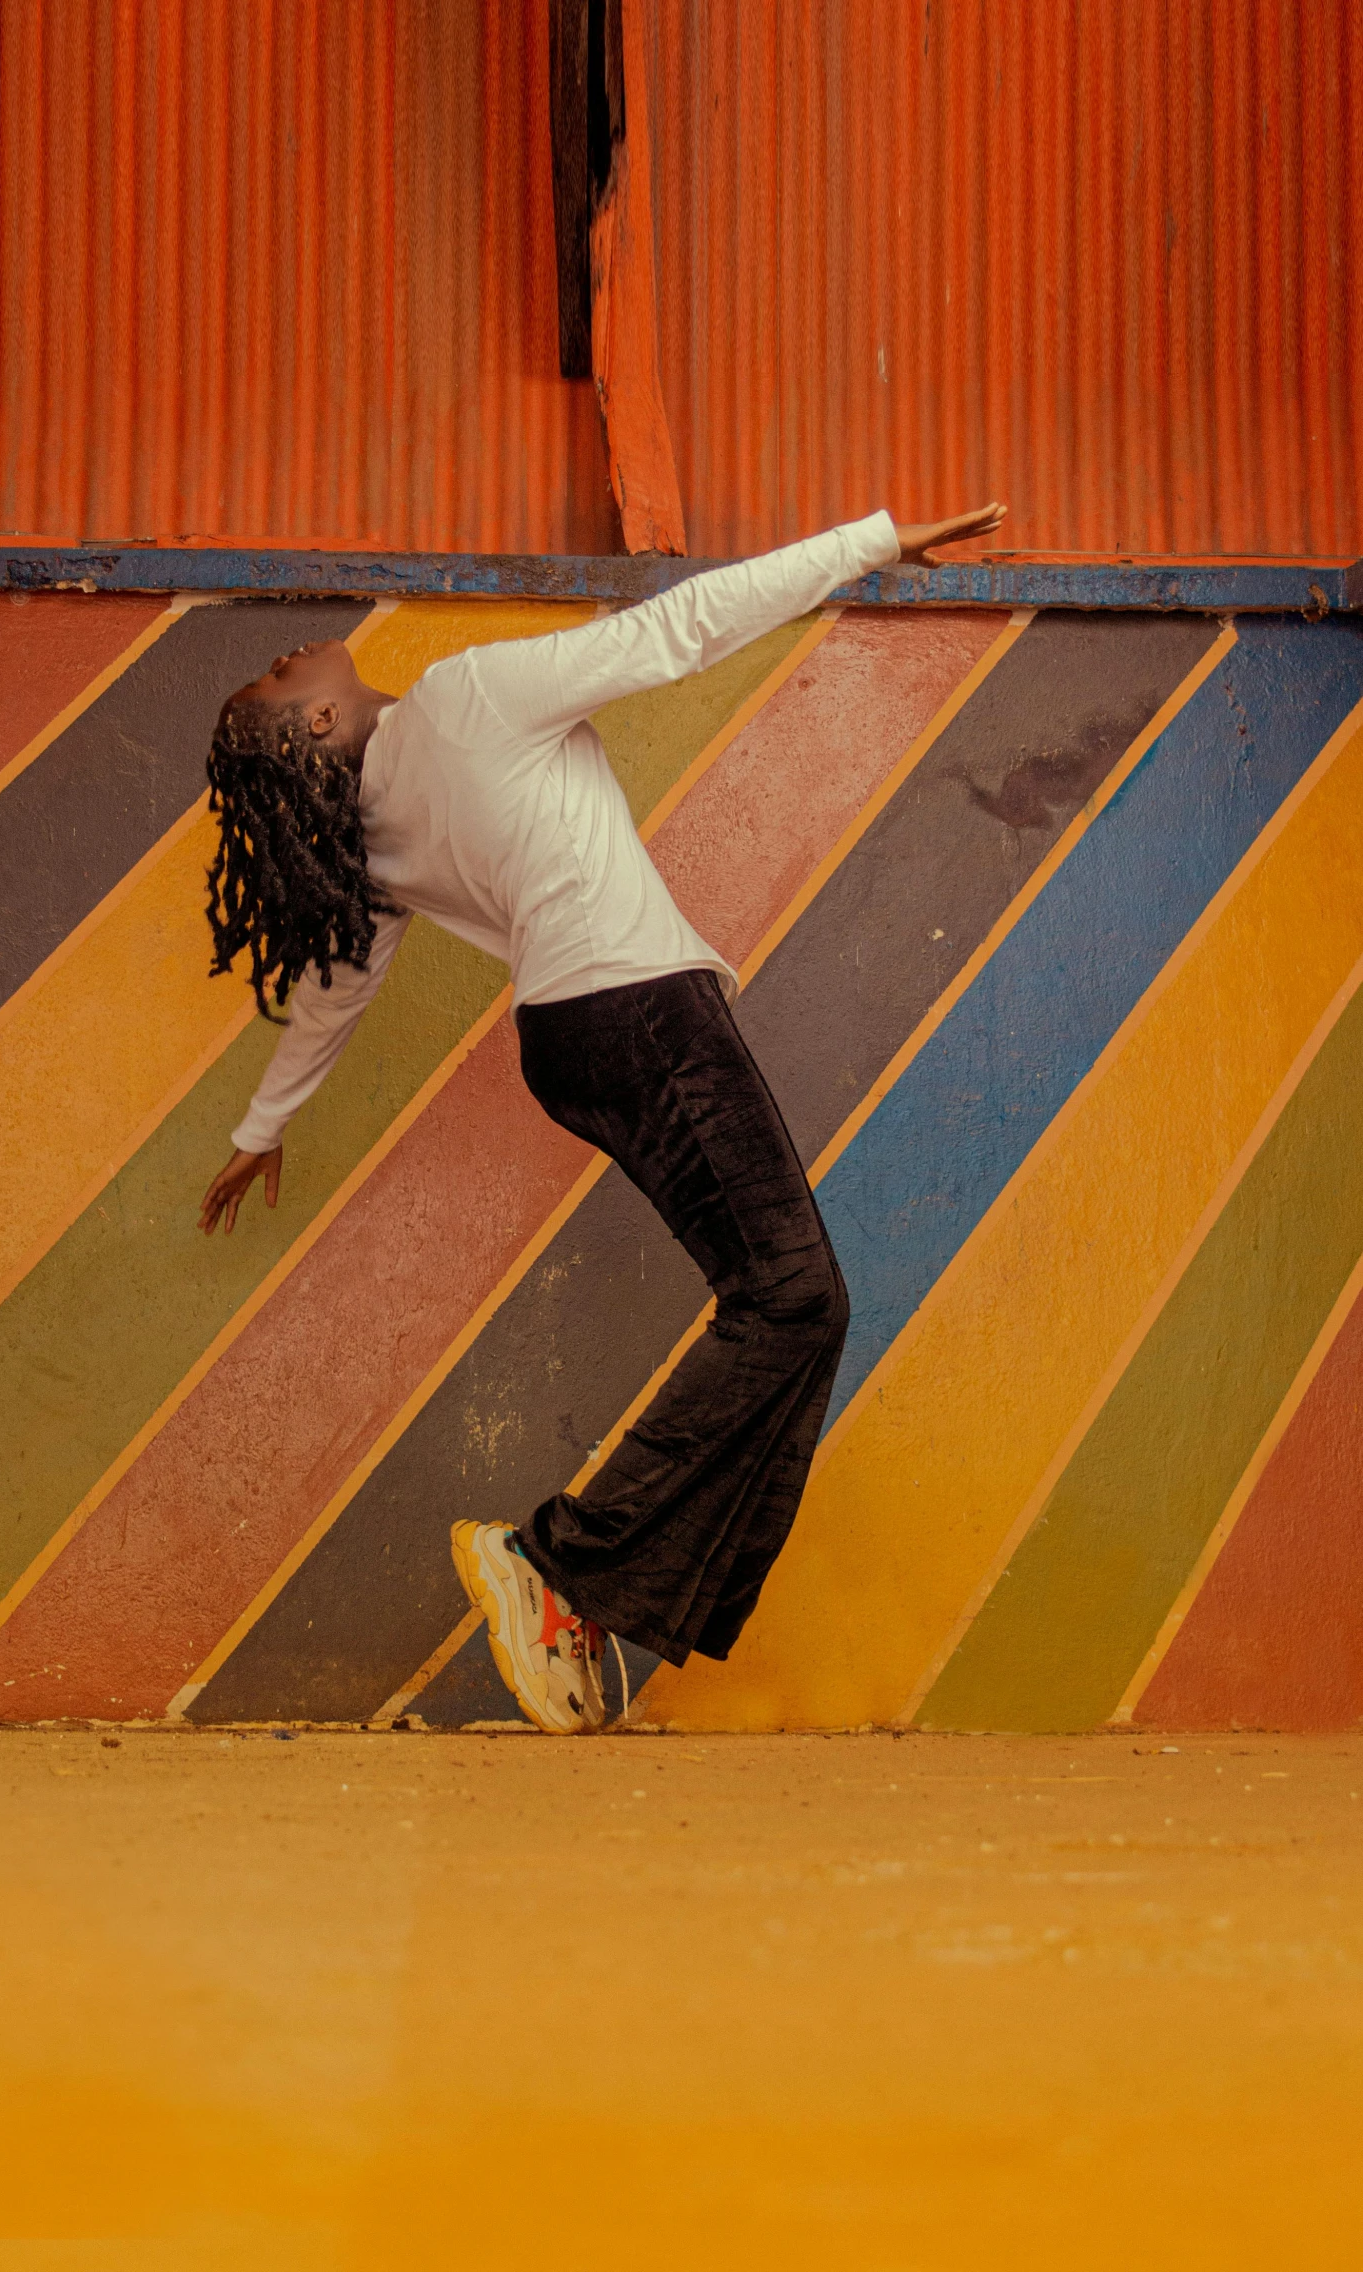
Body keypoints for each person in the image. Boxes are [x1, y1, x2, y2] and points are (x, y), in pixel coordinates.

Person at [197, 502, 1005, 1732]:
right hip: (635, 1007)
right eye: (275, 674)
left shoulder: (372, 832)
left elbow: (337, 982)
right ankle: (553, 1562)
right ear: (315, 720)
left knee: (789, 1303)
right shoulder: (459, 699)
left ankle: (582, 1589)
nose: (289, 653)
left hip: (569, 1042)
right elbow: (676, 629)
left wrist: (264, 1125)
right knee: (792, 1297)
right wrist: (872, 545)